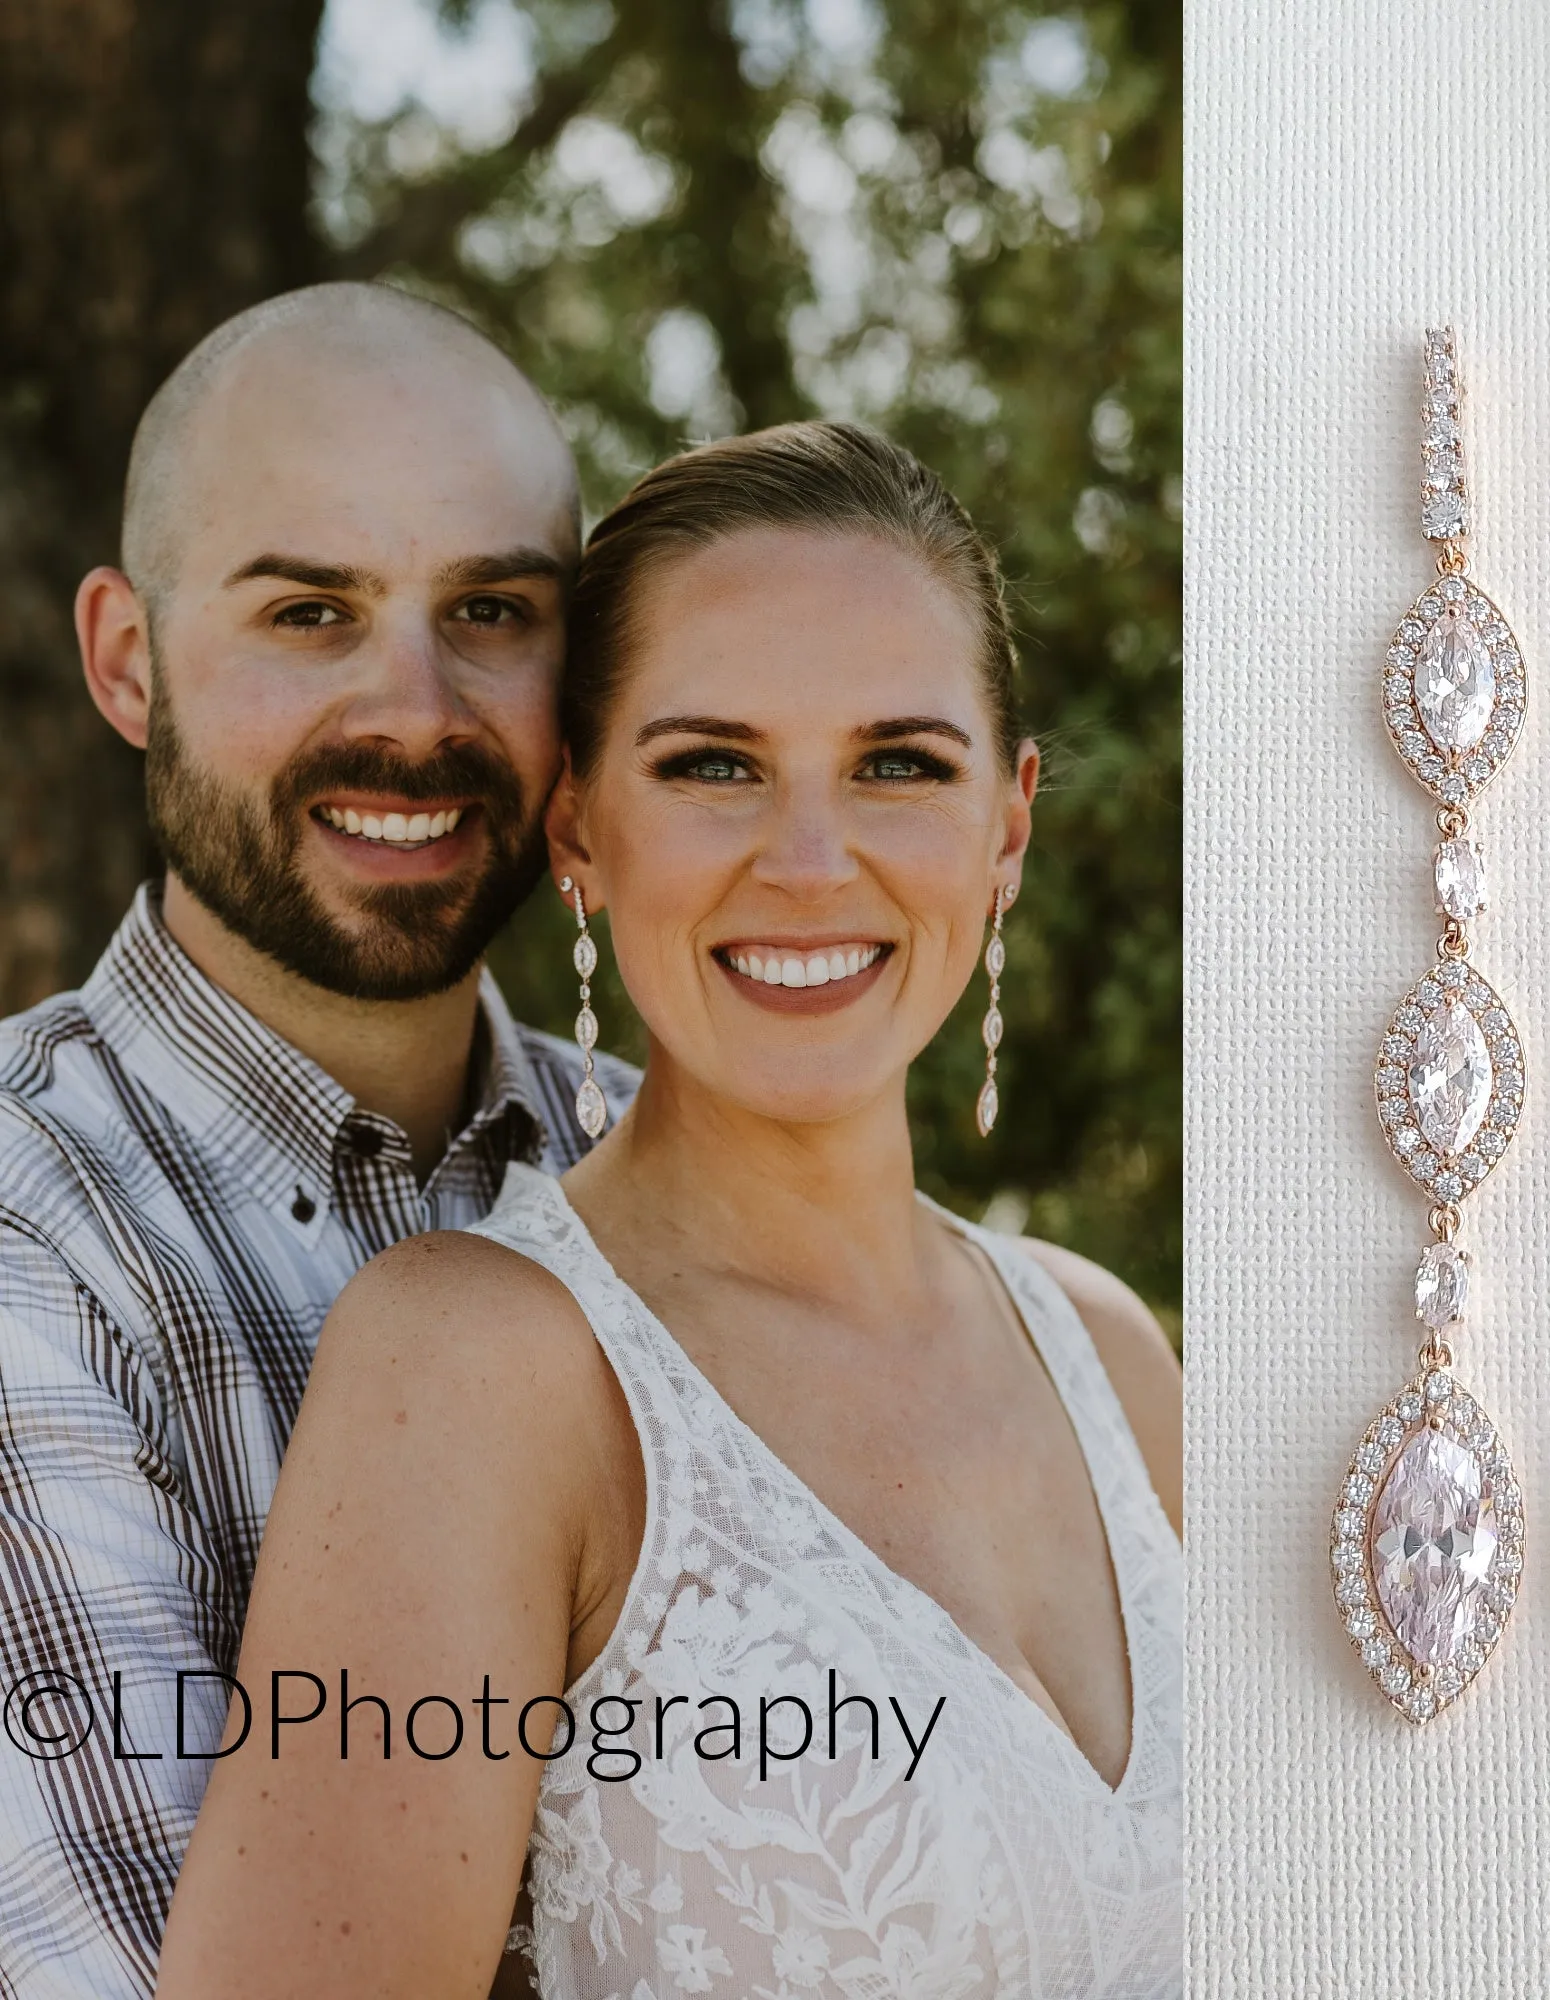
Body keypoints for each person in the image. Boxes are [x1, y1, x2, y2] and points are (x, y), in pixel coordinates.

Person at [153, 422, 1184, 1999]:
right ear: (578, 826)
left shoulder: (1113, 1357)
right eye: (714, 765)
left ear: (1009, 827)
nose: (810, 861)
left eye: (900, 764)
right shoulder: (478, 1375)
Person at [0, 283, 635, 1998]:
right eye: (310, 611)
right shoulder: (19, 1238)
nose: (414, 713)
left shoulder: (673, 1168)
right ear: (128, 660)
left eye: (493, 609)